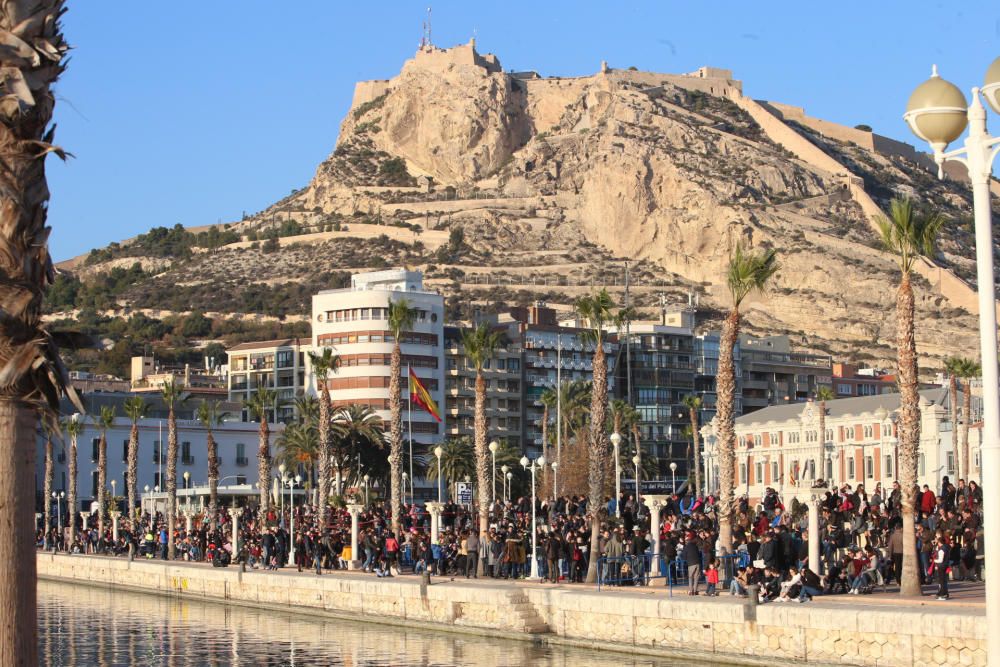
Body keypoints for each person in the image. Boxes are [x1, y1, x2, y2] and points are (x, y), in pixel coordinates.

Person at [934, 534, 950, 601]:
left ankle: (942, 594)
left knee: (941, 581)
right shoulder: (946, 547)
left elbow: (940, 560)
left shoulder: (941, 550)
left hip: (941, 566)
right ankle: (944, 593)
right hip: (945, 565)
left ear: (940, 542)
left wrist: (934, 560)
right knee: (943, 580)